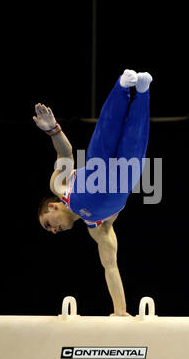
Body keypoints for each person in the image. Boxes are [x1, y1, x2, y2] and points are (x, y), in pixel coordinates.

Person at [34, 69, 153, 316]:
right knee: (135, 138)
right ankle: (142, 91)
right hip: (125, 176)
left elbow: (65, 154)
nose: (54, 230)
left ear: (52, 206)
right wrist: (120, 312)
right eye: (51, 230)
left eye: (48, 224)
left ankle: (121, 87)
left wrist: (53, 130)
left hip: (98, 165)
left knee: (106, 132)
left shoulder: (60, 187)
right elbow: (110, 267)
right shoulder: (98, 228)